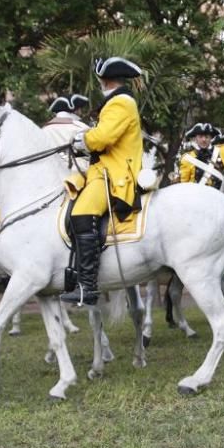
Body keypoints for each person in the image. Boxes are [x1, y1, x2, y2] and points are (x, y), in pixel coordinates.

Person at [60, 57, 144, 307]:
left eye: (100, 81)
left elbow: (103, 137)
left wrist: (81, 139)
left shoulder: (120, 102)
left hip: (113, 173)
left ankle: (87, 287)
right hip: (103, 169)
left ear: (105, 80)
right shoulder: (118, 102)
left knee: (82, 214)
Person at [179, 123, 224, 190]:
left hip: (221, 196)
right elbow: (183, 185)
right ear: (195, 138)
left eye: (207, 136)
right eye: (200, 137)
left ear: (211, 138)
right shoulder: (187, 159)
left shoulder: (223, 151)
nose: (204, 139)